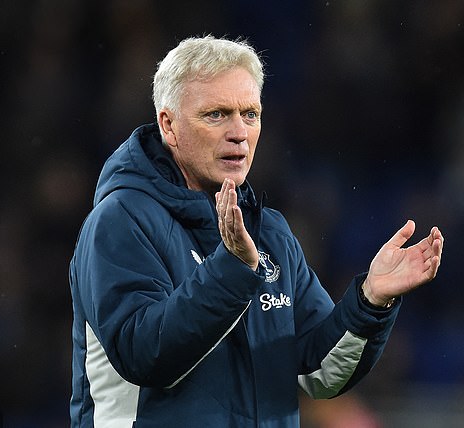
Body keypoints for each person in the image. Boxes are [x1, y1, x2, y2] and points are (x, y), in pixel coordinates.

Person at [69, 35, 444, 428]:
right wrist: (232, 270)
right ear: (169, 125)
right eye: (216, 114)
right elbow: (144, 357)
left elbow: (319, 374)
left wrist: (370, 301)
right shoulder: (120, 221)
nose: (239, 132)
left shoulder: (271, 234)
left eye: (250, 114)